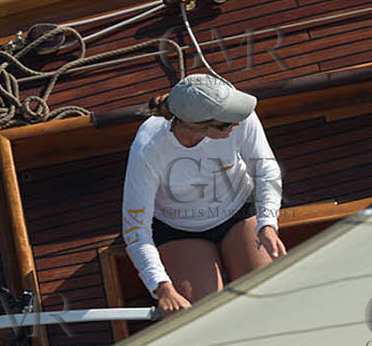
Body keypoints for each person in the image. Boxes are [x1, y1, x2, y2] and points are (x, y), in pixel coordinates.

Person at [122, 73, 286, 314]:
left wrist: (268, 224)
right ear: (194, 126)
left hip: (239, 212)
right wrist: (163, 288)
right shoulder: (148, 147)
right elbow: (136, 230)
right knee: (206, 315)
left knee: (268, 300)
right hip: (177, 229)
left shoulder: (238, 115)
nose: (236, 124)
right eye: (225, 125)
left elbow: (266, 170)